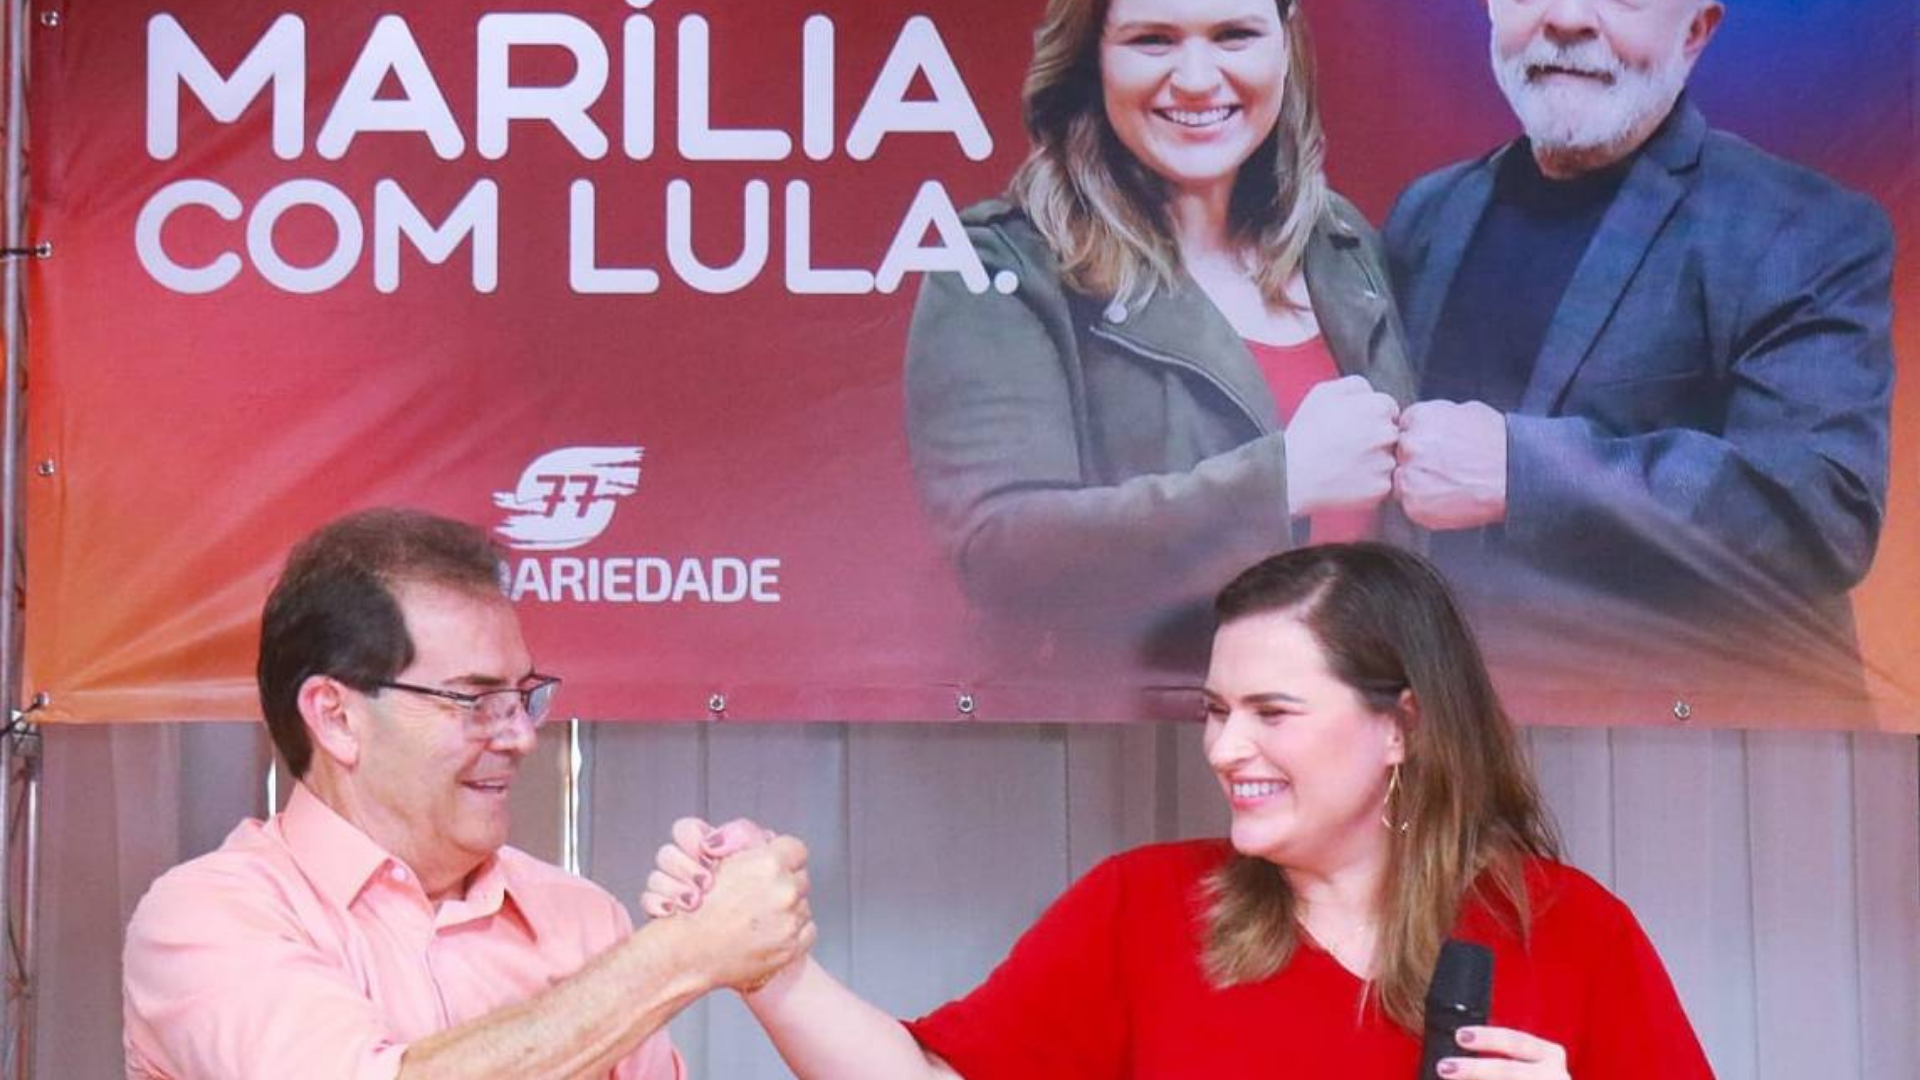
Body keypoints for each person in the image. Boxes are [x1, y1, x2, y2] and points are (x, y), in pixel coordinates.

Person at [647, 544, 1716, 1079]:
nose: (1224, 748)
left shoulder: (1569, 931)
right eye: (1214, 711)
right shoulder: (1146, 908)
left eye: (1272, 711)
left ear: (1403, 726)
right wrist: (770, 970)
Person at [122, 508, 816, 1080]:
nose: (519, 737)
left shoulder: (580, 919)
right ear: (336, 716)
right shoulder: (208, 916)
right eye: (474, 702)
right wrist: (682, 953)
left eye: (523, 698)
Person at [1384, 0, 1894, 719]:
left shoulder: (1804, 229)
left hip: (1697, 762)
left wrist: (1516, 472)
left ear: (1695, 31)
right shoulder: (1426, 214)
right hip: (1459, 742)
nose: (1565, 18)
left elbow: (1818, 515)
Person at [906, 0, 1414, 691]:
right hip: (1145, 738)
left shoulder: (1340, 242)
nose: (1199, 79)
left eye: (1235, 35)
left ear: (1285, 45)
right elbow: (1001, 552)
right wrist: (1282, 481)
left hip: (1360, 733)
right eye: (1153, 40)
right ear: (1094, 56)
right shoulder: (1004, 263)